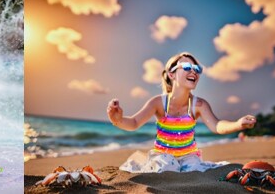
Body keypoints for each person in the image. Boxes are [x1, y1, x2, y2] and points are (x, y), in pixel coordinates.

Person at [106, 52, 256, 173]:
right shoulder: (158, 103)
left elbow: (216, 125)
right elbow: (134, 123)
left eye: (197, 69)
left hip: (189, 156)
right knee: (166, 167)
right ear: (171, 74)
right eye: (186, 67)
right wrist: (118, 120)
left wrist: (237, 124)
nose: (193, 71)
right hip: (162, 156)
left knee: (194, 170)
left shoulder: (199, 104)